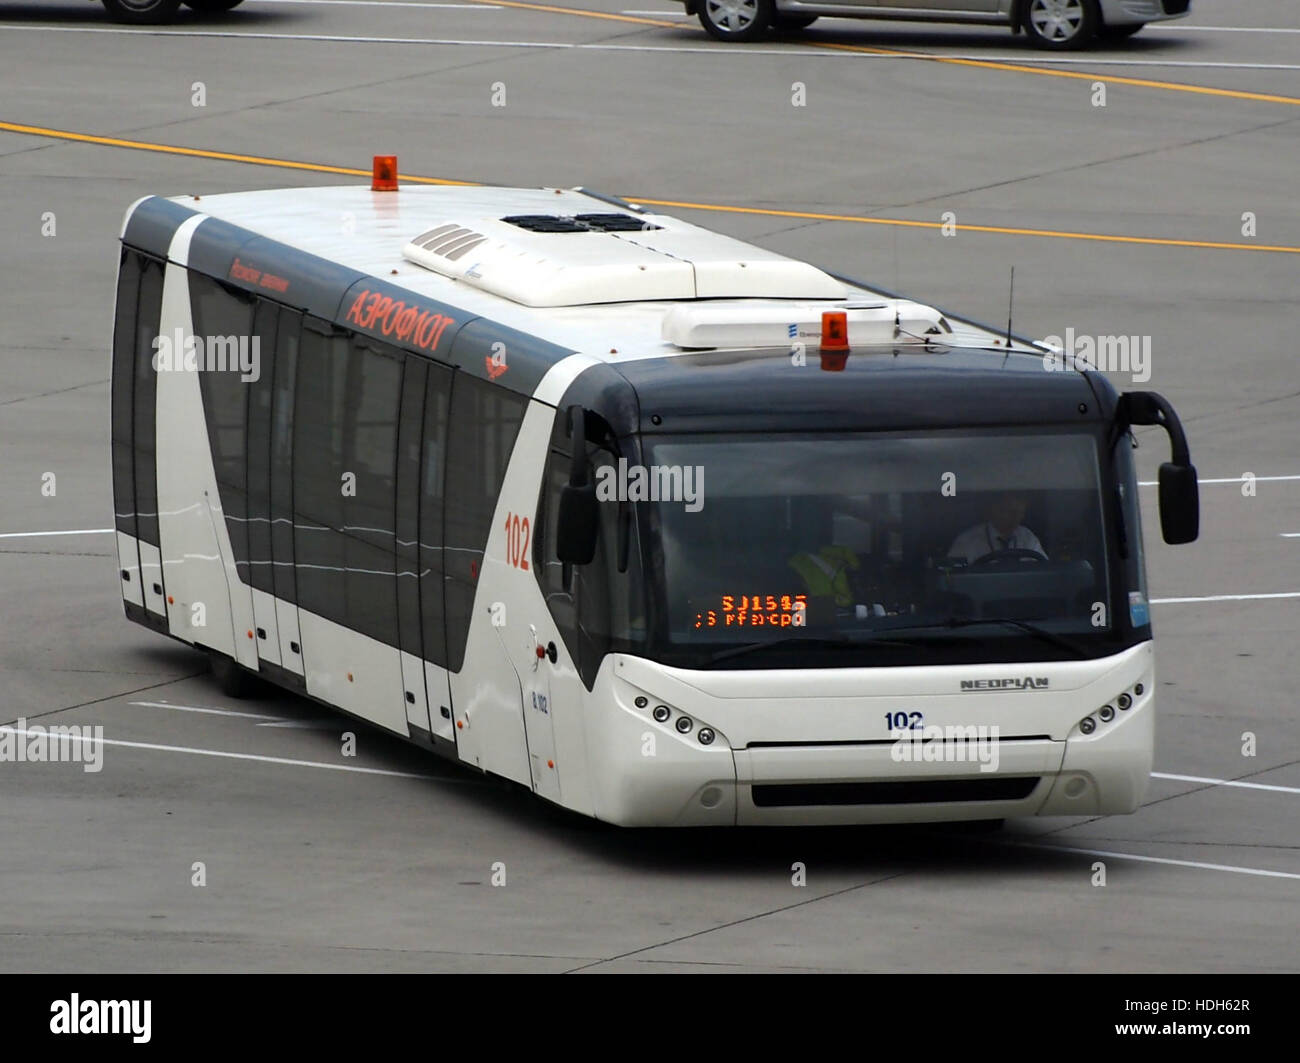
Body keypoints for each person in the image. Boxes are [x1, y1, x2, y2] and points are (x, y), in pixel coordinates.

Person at [947, 492, 1046, 564]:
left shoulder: (1028, 537)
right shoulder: (967, 541)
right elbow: (953, 576)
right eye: (1010, 512)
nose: (1015, 518)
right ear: (994, 510)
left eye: (1020, 513)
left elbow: (1043, 569)